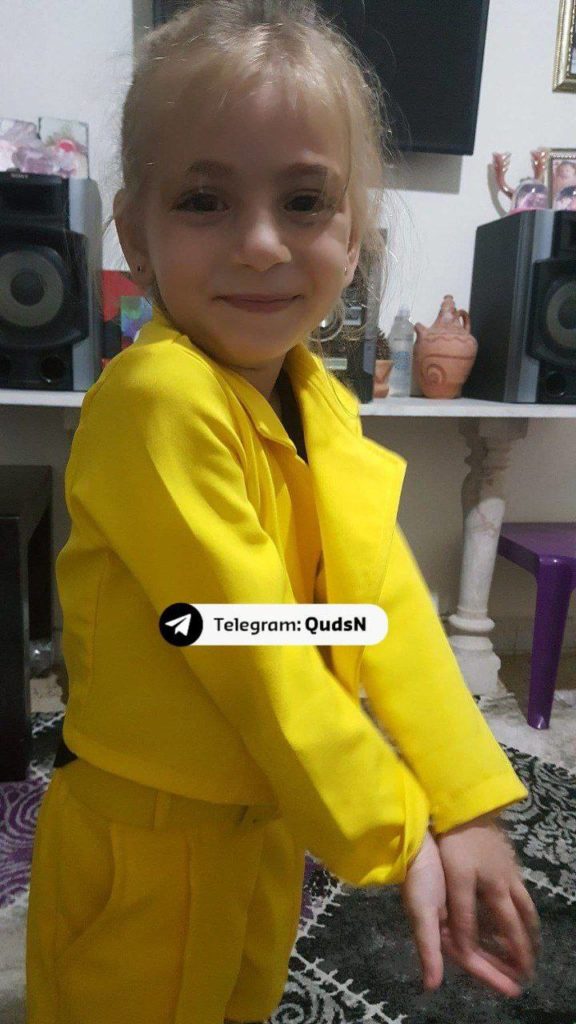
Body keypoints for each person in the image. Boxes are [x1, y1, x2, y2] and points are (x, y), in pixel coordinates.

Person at [25, 2, 541, 1023]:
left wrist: (466, 797)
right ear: (134, 234)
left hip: (260, 816)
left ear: (355, 238)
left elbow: (379, 607)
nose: (261, 244)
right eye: (205, 200)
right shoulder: (155, 401)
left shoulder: (321, 402)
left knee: (243, 999)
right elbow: (245, 636)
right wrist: (397, 826)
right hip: (150, 839)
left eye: (304, 201)